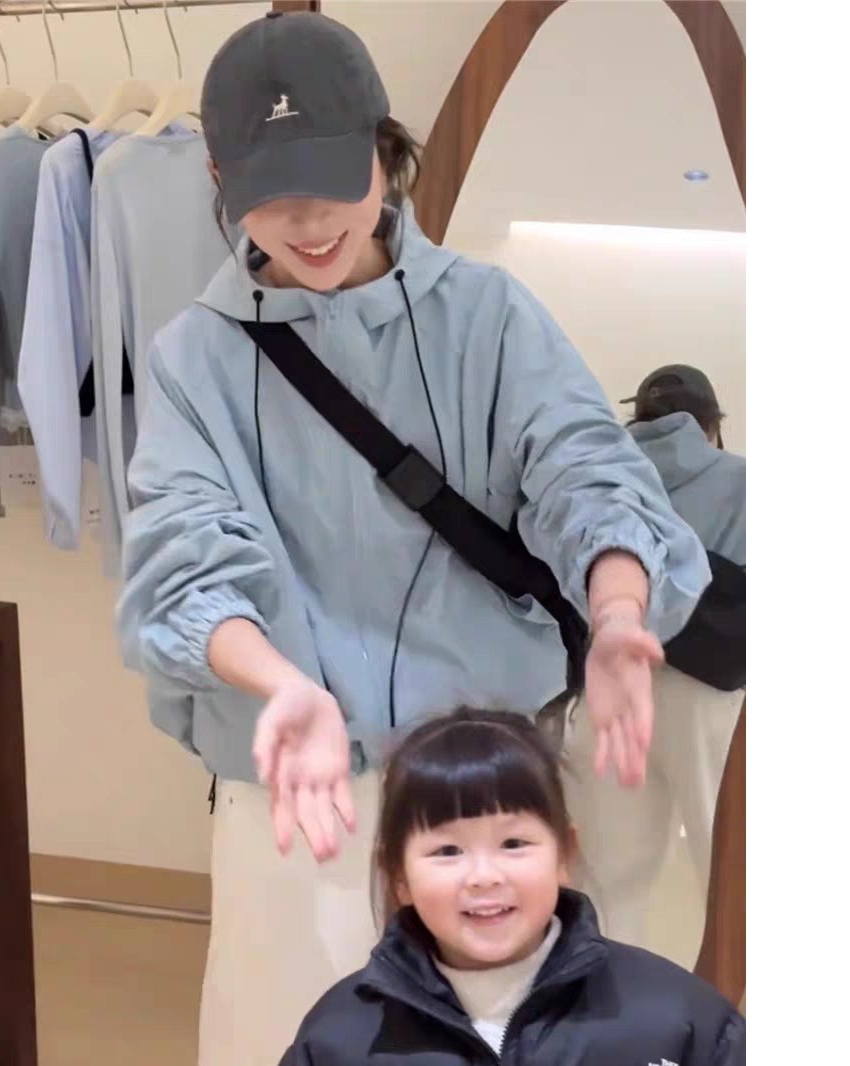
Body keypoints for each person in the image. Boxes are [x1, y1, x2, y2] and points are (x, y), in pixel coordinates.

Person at [116, 12, 710, 1065]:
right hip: (302, 791)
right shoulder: (194, 359)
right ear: (218, 177)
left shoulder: (488, 315)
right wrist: (280, 685)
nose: (307, 223)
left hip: (484, 780)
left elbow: (584, 469)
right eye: (271, 194)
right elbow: (182, 559)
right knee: (290, 1036)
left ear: (384, 154)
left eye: (332, 181)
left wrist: (618, 608)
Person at [279, 708, 745, 1065]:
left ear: (564, 853)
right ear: (399, 876)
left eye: (513, 844)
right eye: (448, 851)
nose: (484, 875)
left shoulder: (674, 1019)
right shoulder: (340, 1039)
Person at [563, 364, 746, 949]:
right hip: (707, 690)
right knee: (727, 856)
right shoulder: (742, 480)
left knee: (609, 867)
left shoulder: (603, 476)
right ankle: (736, 992)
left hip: (610, 679)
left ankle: (606, 987)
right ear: (711, 424)